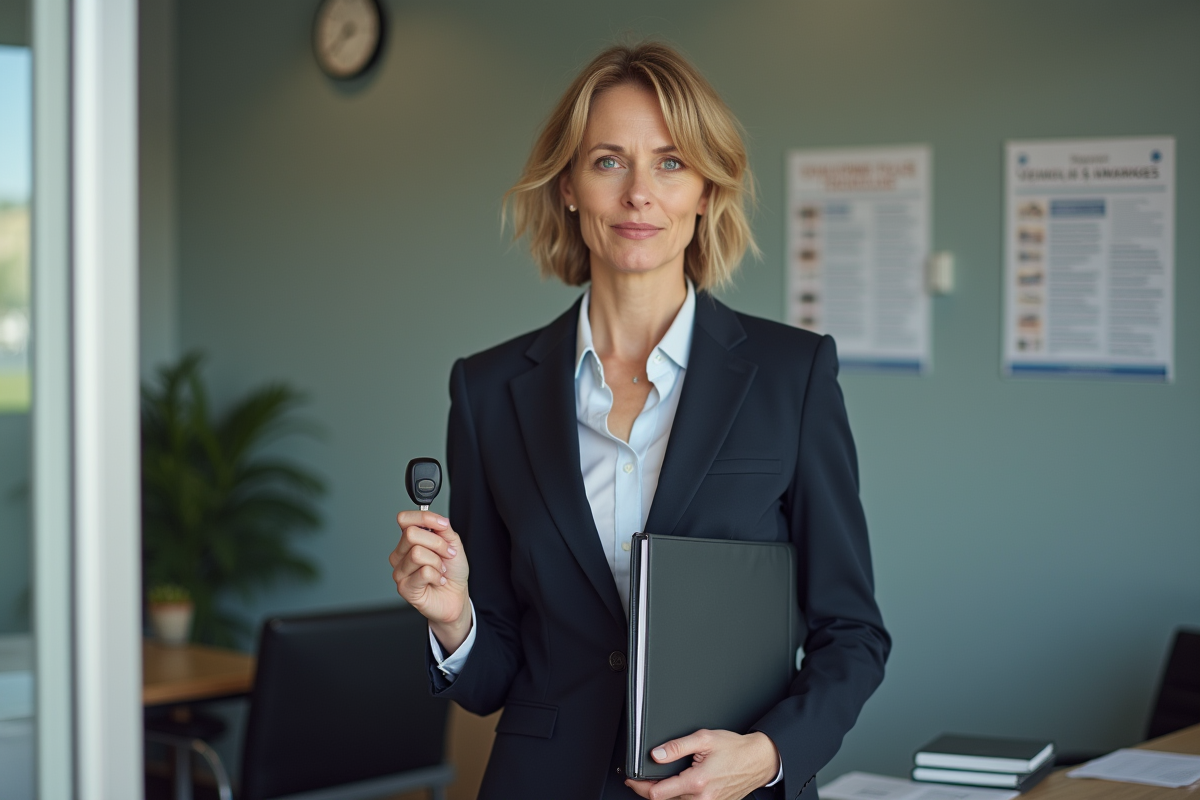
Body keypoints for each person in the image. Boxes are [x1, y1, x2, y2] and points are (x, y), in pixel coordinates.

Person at [389, 42, 890, 800]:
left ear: (706, 190)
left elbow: (852, 633)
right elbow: (492, 680)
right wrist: (455, 619)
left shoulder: (794, 375)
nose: (638, 195)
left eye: (670, 163)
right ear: (568, 185)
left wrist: (768, 755)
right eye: (608, 162)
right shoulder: (487, 390)